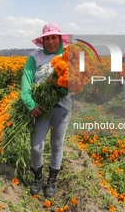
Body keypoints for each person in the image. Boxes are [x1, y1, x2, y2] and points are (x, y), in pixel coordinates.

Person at [21, 23, 72, 198]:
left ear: (60, 39)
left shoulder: (68, 57)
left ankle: (52, 180)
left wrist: (57, 84)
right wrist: (31, 105)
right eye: (47, 38)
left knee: (57, 145)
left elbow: (73, 86)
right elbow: (26, 84)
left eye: (54, 37)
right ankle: (37, 177)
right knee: (36, 147)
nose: (50, 41)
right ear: (42, 40)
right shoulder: (34, 57)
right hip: (40, 108)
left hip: (61, 106)